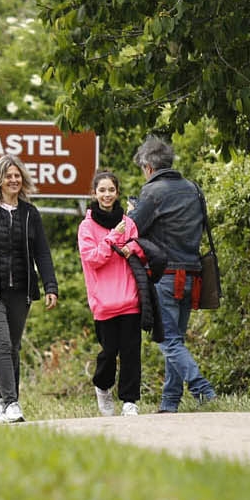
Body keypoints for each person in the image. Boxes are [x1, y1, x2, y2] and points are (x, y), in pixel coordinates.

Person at [0, 153, 58, 423]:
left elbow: (42, 252)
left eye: (18, 175)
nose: (14, 179)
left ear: (23, 179)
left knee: (13, 347)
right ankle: (12, 401)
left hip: (21, 290)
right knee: (2, 343)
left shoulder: (30, 213)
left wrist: (51, 285)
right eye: (9, 175)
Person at [128, 135, 218, 411]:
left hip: (166, 275)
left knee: (168, 341)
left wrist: (132, 211)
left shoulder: (152, 193)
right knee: (176, 340)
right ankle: (169, 402)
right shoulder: (193, 189)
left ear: (148, 167)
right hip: (192, 275)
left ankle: (203, 389)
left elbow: (133, 230)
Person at [78, 171, 145, 416]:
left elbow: (138, 247)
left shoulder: (129, 223)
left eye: (111, 190)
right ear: (95, 193)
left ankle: (129, 401)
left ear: (117, 193)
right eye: (102, 190)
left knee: (131, 351)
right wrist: (114, 237)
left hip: (129, 298)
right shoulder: (86, 226)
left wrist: (132, 247)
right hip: (103, 302)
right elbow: (93, 258)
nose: (107, 195)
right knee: (109, 352)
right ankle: (103, 387)